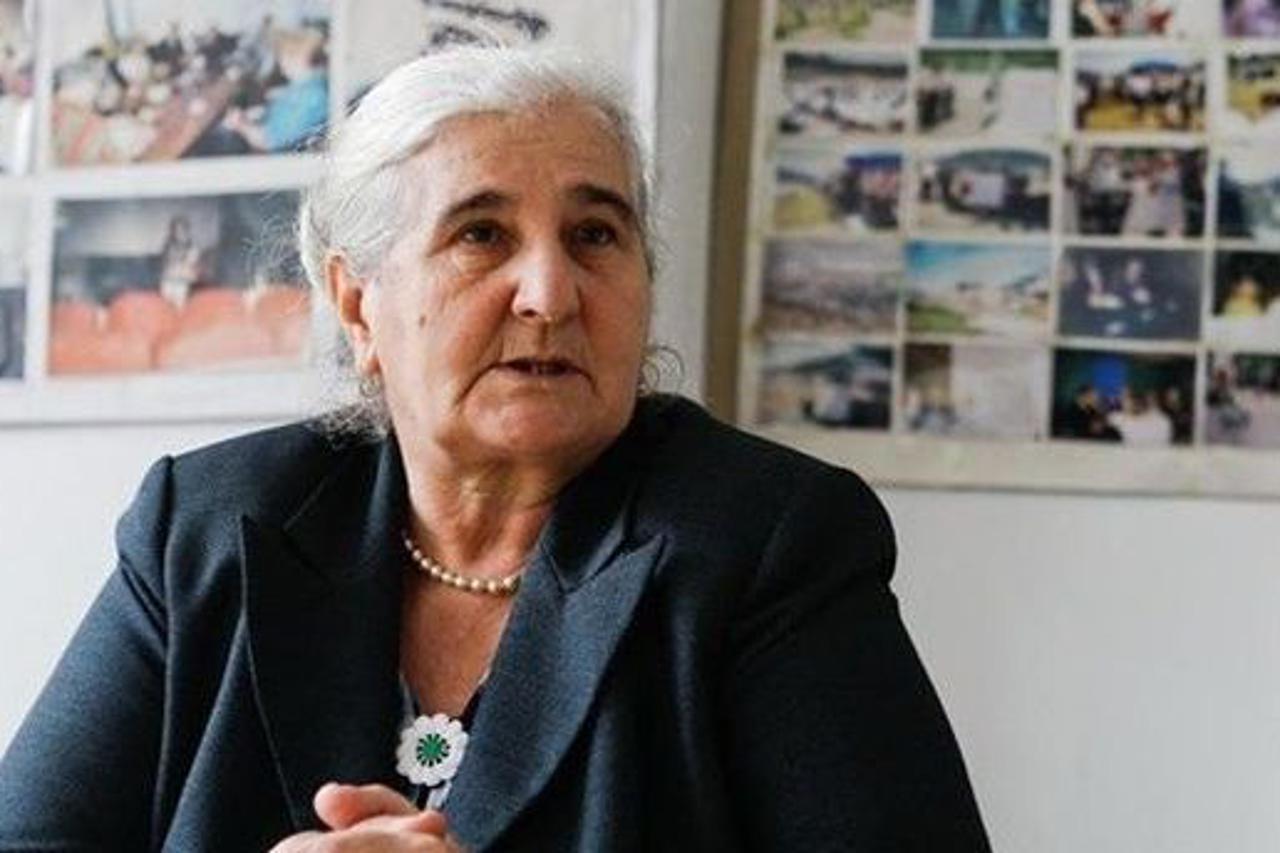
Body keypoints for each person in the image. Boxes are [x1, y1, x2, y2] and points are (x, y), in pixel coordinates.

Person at [0, 47, 990, 851]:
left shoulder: (766, 542)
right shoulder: (206, 526)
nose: (550, 293)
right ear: (358, 303)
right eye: (481, 234)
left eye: (595, 235)